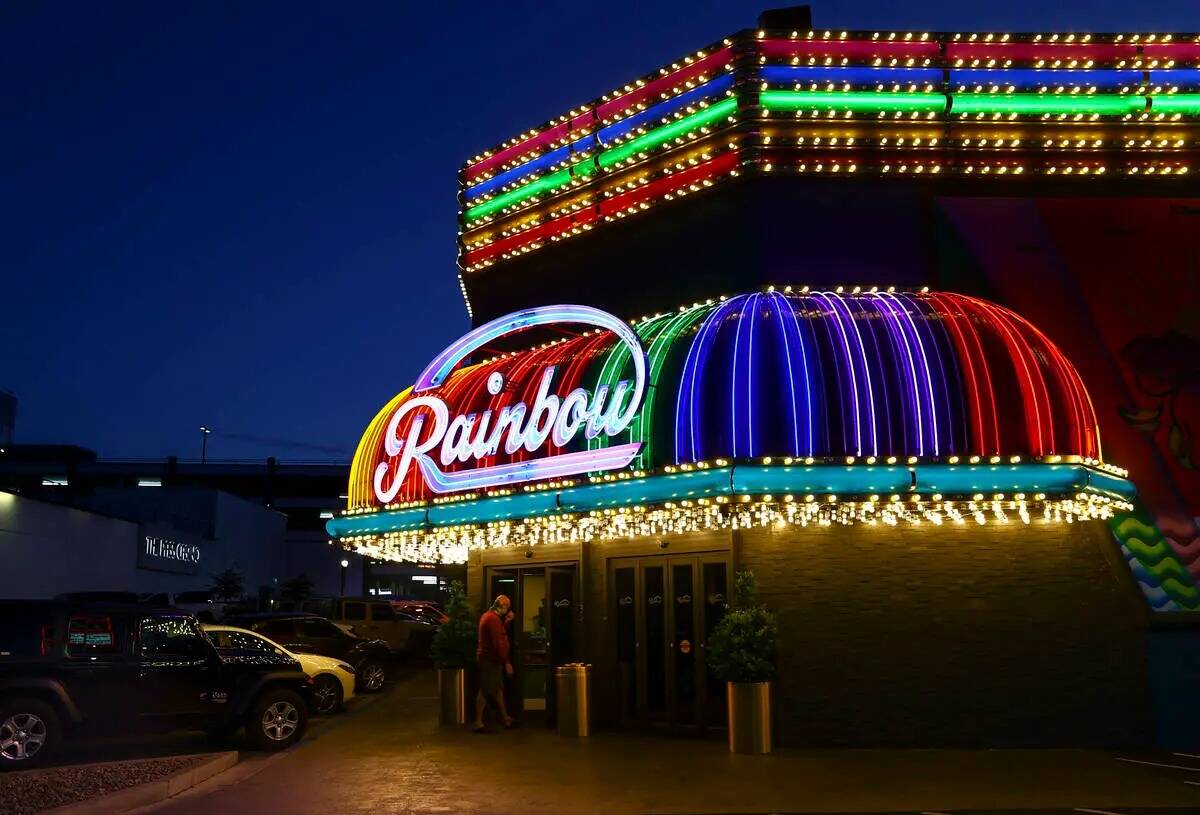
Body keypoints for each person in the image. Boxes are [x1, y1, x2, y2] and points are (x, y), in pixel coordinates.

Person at [473, 594, 516, 732]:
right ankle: (478, 722)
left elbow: (499, 635)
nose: (508, 610)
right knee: (486, 690)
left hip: (491, 659)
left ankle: (505, 718)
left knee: (497, 689)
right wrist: (507, 662)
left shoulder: (491, 617)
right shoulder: (492, 619)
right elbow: (498, 642)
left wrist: (507, 622)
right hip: (490, 660)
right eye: (507, 607)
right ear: (502, 606)